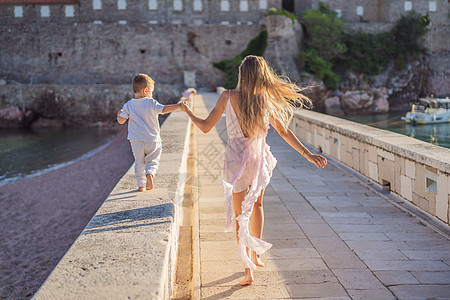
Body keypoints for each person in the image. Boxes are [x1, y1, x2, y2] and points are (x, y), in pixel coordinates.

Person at [180, 55, 327, 285]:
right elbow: (284, 131)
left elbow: (206, 127)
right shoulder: (265, 100)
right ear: (262, 75)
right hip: (258, 158)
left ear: (242, 74)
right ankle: (255, 254)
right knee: (257, 205)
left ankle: (247, 267)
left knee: (241, 215)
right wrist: (307, 154)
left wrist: (189, 113)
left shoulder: (227, 96)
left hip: (236, 160)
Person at [117, 73, 182, 192]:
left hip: (136, 140)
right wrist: (178, 106)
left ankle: (141, 185)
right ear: (146, 90)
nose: (151, 95)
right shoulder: (150, 102)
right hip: (152, 140)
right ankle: (150, 175)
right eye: (151, 92)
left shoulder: (128, 105)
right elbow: (164, 109)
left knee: (139, 162)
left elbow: (121, 121)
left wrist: (118, 115)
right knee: (152, 160)